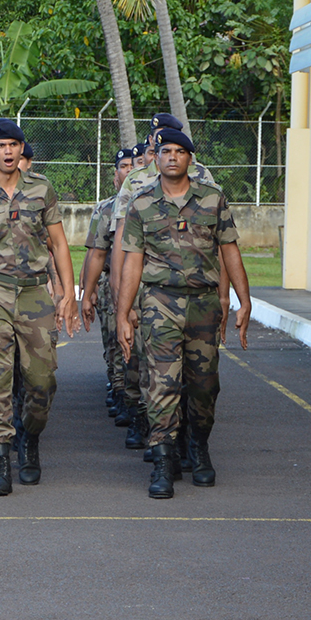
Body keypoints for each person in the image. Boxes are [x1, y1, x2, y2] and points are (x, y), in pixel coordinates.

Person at [116, 128, 252, 498]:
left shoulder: (212, 199)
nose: (172, 157)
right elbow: (132, 262)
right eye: (166, 151)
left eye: (180, 151)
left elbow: (230, 251)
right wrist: (122, 313)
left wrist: (244, 300)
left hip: (204, 304)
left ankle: (199, 446)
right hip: (159, 303)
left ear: (190, 159)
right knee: (162, 383)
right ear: (156, 158)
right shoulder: (141, 203)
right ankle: (163, 458)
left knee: (204, 385)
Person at [0, 118, 79, 495]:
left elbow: (59, 244)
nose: (8, 152)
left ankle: (30, 437)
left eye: (14, 145)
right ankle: (0, 460)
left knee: (41, 383)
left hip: (34, 295)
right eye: (0, 146)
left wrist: (68, 295)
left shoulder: (42, 189)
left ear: (21, 150)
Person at [80, 147, 136, 419]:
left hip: (141, 285)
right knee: (114, 340)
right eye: (124, 166)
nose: (129, 170)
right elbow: (94, 253)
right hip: (110, 283)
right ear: (116, 175)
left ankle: (133, 397)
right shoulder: (105, 208)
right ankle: (119, 388)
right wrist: (86, 292)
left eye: (133, 165)